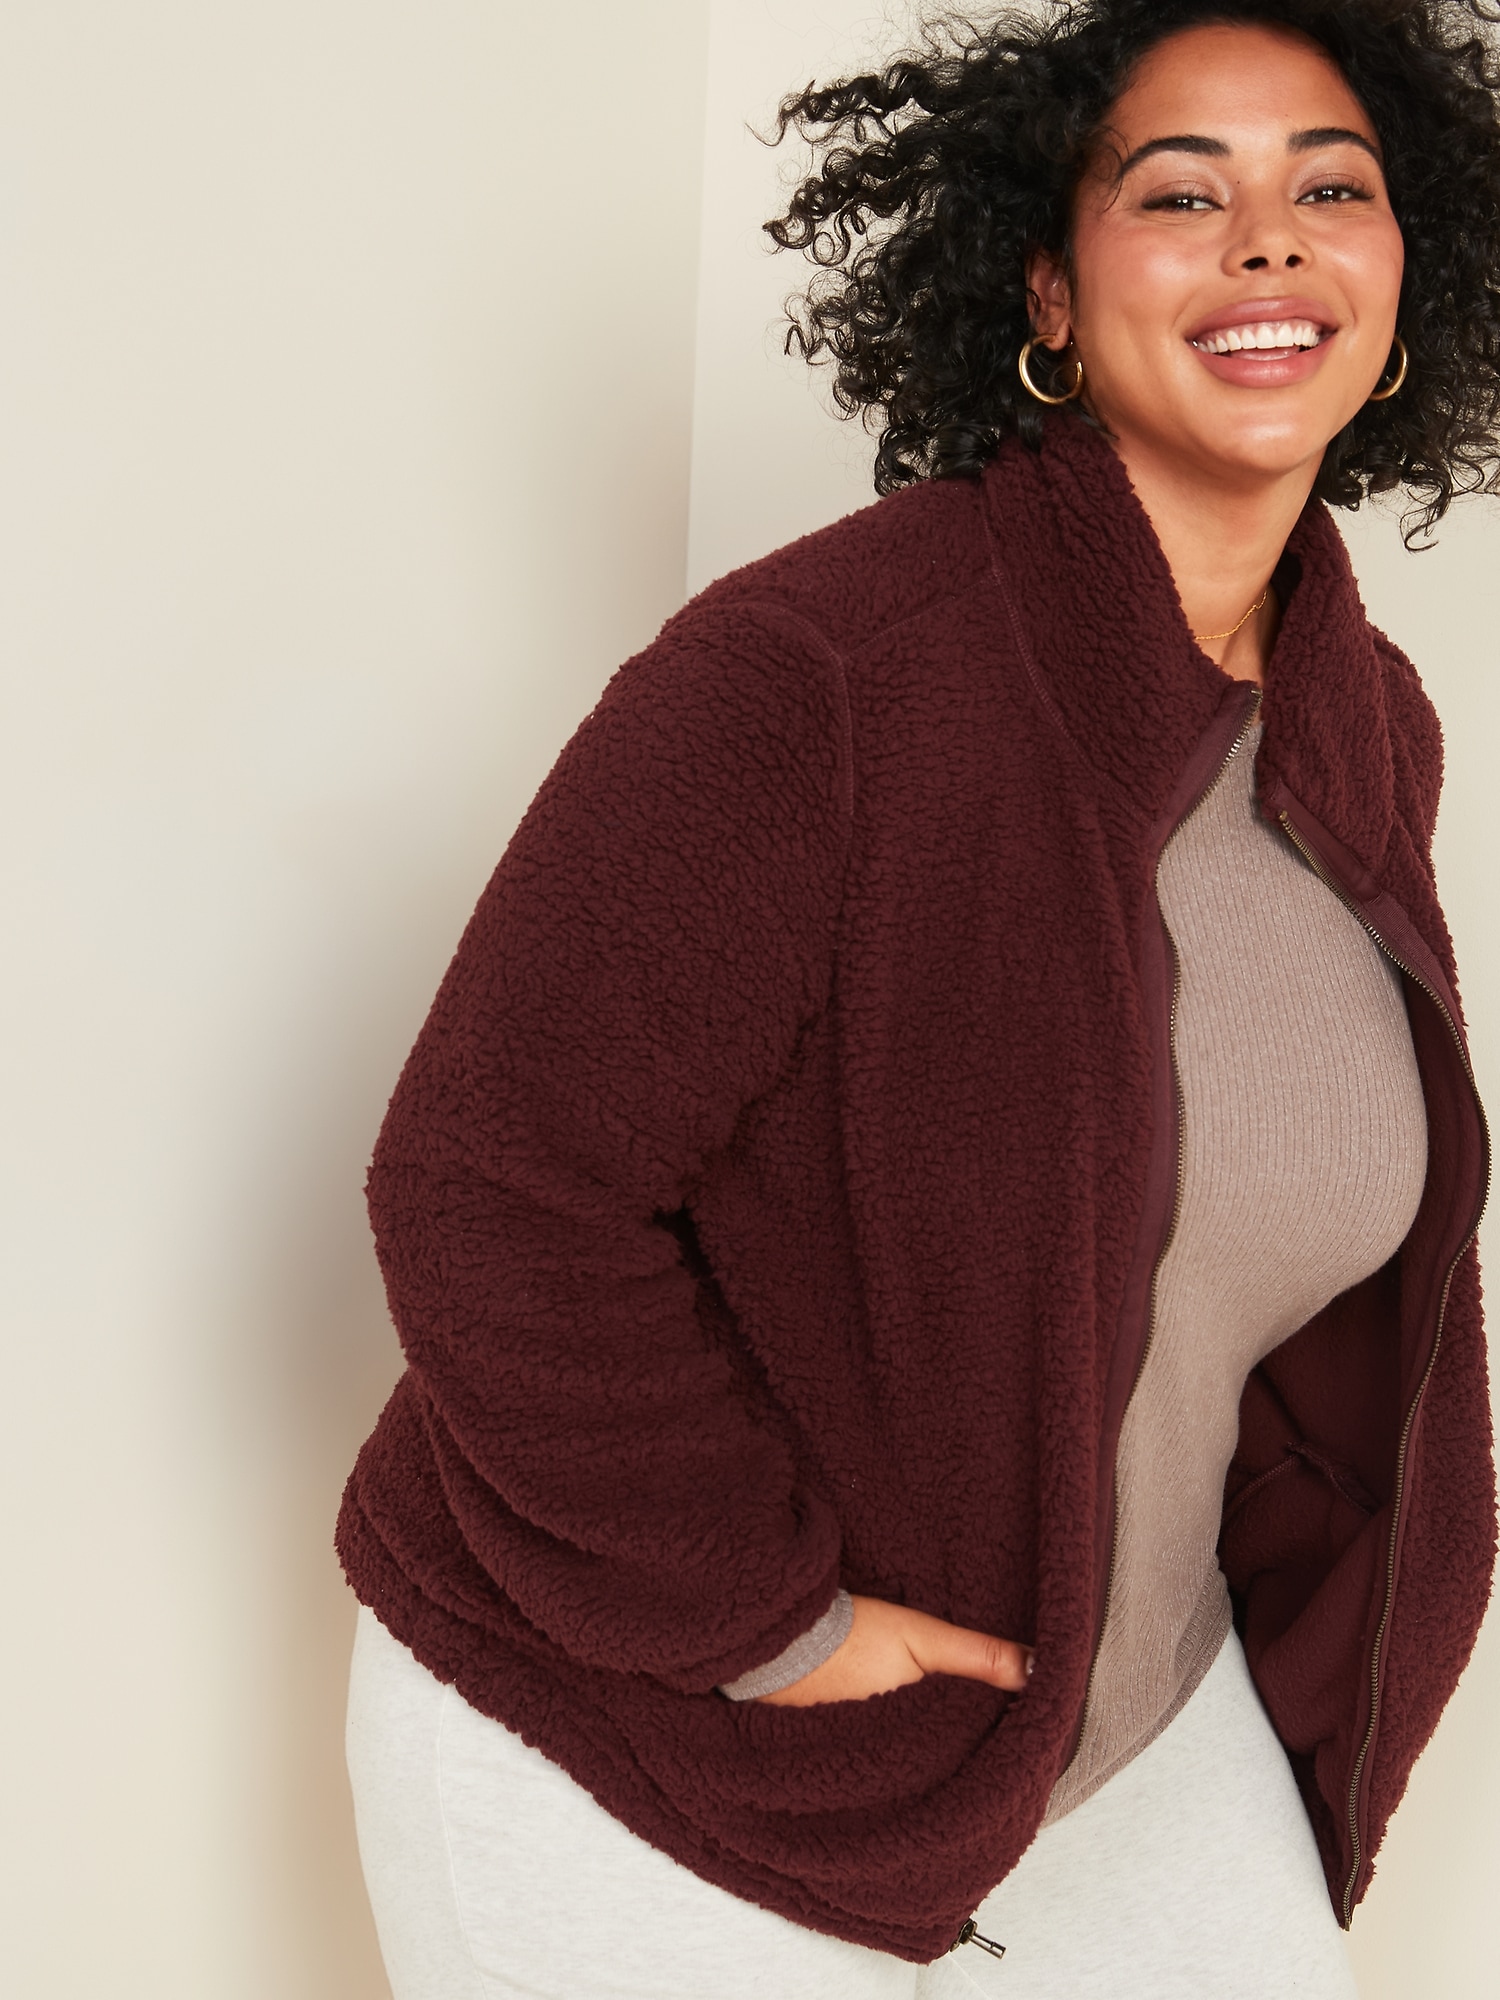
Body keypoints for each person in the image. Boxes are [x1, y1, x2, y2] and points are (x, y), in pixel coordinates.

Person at [337, 3, 1500, 1995]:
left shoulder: (1358, 721)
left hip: (1112, 1709)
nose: (1271, 240)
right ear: (1046, 290)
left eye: (1333, 188)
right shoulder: (829, 674)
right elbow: (489, 1184)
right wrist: (766, 1623)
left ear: (1409, 276)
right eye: (1180, 196)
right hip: (660, 1739)